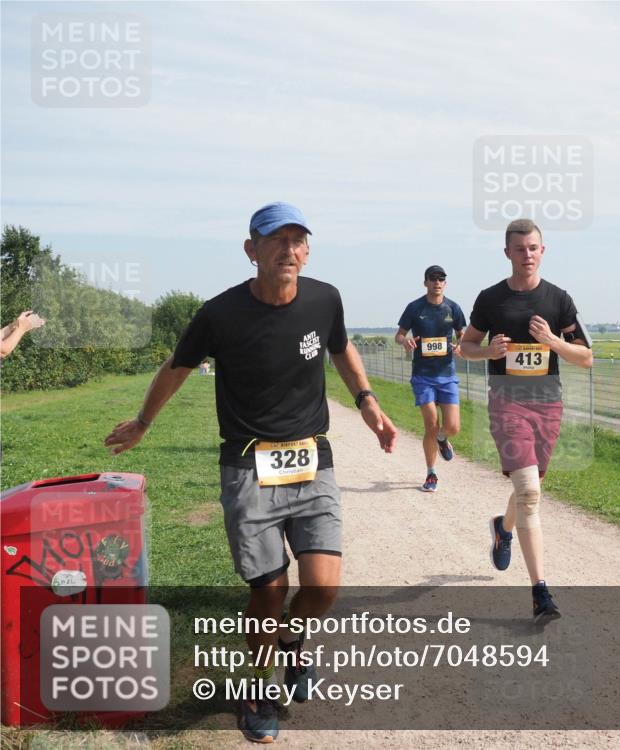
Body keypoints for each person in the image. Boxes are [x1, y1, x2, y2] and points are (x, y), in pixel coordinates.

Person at [104, 202, 397, 743]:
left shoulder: (325, 298)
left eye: (297, 240)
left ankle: (292, 645)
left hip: (312, 458)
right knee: (267, 592)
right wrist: (144, 421)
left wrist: (368, 400)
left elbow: (342, 348)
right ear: (251, 250)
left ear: (307, 250)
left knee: (324, 589)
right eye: (276, 240)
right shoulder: (220, 314)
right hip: (248, 464)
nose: (288, 249)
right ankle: (257, 687)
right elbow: (177, 368)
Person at [460, 219, 592, 623]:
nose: (527, 254)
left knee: (530, 486)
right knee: (530, 491)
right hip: (507, 401)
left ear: (543, 250)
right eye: (519, 249)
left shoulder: (559, 300)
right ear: (507, 253)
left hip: (547, 403)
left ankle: (503, 528)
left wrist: (553, 342)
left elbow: (586, 357)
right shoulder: (490, 300)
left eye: (533, 248)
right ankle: (540, 593)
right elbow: (464, 347)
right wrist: (489, 353)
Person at [394, 265, 466, 492]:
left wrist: (460, 345)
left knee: (453, 427)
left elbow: (462, 334)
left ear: (445, 283)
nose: (437, 282)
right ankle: (431, 473)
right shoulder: (415, 308)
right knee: (431, 424)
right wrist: (404, 341)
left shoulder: (453, 308)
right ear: (425, 282)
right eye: (433, 279)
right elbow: (399, 335)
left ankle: (444, 439)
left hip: (447, 374)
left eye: (441, 279)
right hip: (423, 376)